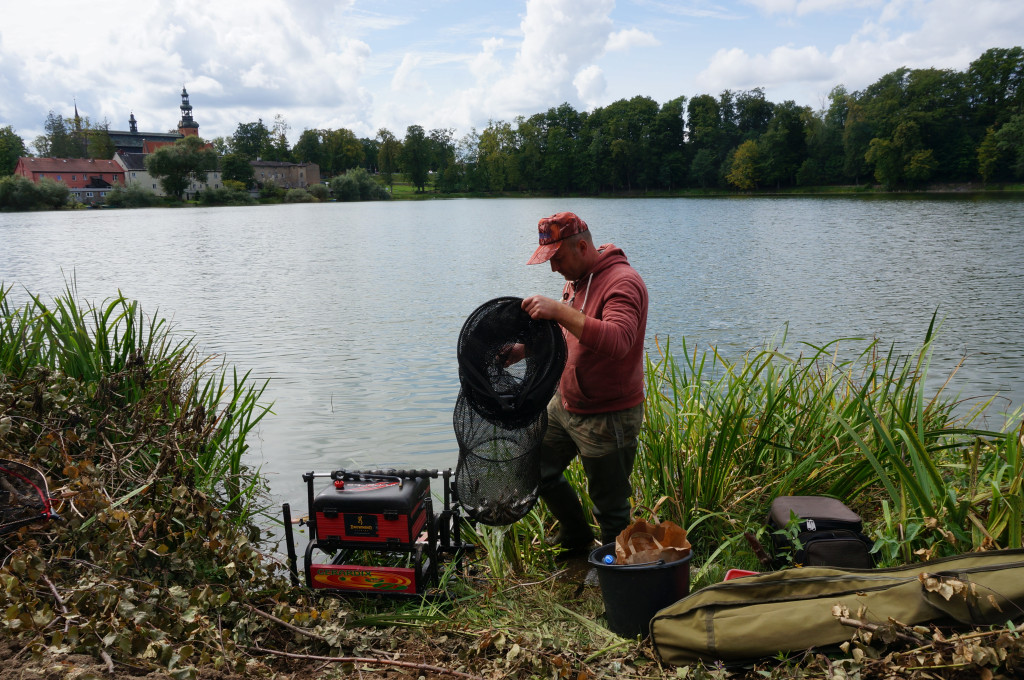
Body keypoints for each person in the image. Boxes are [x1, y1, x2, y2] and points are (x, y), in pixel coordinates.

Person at [522, 211, 649, 558]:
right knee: (535, 466)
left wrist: (558, 310)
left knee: (610, 506)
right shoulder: (576, 278)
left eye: (557, 259)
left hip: (608, 414)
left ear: (582, 246)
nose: (553, 269)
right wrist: (525, 349)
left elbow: (620, 339)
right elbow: (568, 333)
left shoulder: (623, 282)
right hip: (566, 403)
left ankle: (612, 568)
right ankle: (576, 535)